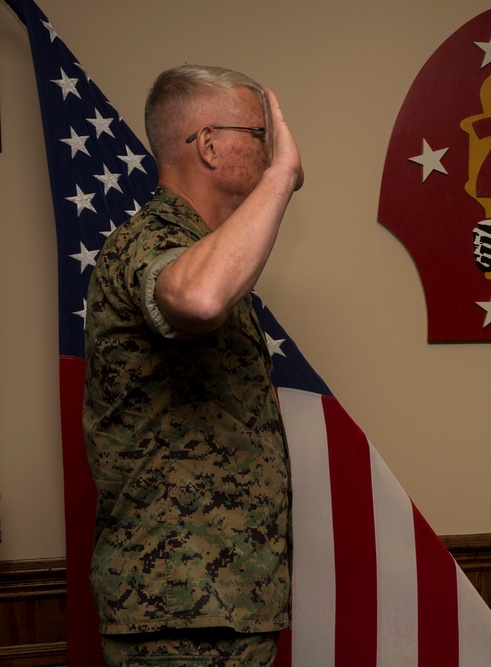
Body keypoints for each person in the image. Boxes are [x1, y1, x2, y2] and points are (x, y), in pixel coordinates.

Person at [83, 64, 304, 665]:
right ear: (207, 144)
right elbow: (200, 299)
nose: (274, 148)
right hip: (176, 612)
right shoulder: (149, 239)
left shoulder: (204, 248)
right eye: (259, 135)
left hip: (222, 607)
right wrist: (280, 177)